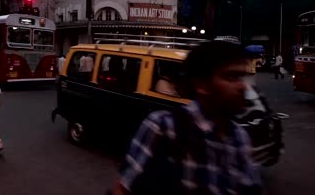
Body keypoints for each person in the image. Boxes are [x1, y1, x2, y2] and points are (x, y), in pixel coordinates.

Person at [111, 41, 261, 195]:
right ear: (202, 85)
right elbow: (124, 188)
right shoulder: (164, 126)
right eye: (231, 77)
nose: (243, 86)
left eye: (243, 77)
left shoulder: (239, 137)